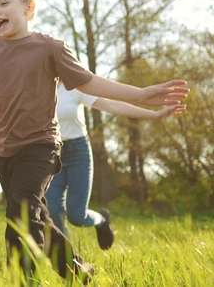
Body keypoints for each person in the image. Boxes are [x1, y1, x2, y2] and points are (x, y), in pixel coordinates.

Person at [0, 0, 189, 284]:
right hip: (3, 149)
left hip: (40, 146)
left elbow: (88, 82)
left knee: (20, 216)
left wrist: (140, 94)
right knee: (38, 217)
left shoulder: (50, 48)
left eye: (4, 4)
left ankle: (21, 279)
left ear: (29, 8)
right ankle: (79, 273)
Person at [48, 84, 185, 248]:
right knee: (54, 211)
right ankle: (69, 262)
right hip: (52, 151)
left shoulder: (74, 86)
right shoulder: (38, 87)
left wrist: (153, 115)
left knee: (77, 216)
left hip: (78, 151)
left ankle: (102, 220)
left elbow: (111, 104)